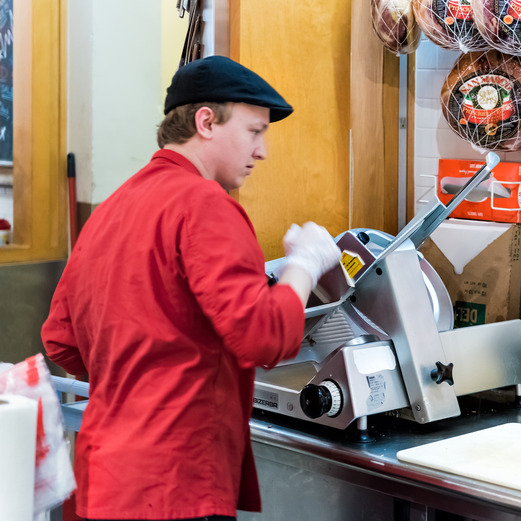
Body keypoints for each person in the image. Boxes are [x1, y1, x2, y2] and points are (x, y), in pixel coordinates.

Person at [41, 56, 342, 521]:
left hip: (102, 479)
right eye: (254, 131)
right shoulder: (204, 204)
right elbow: (265, 337)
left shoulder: (112, 207)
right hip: (174, 487)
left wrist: (136, 377)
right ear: (206, 121)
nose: (262, 152)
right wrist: (304, 264)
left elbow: (60, 339)